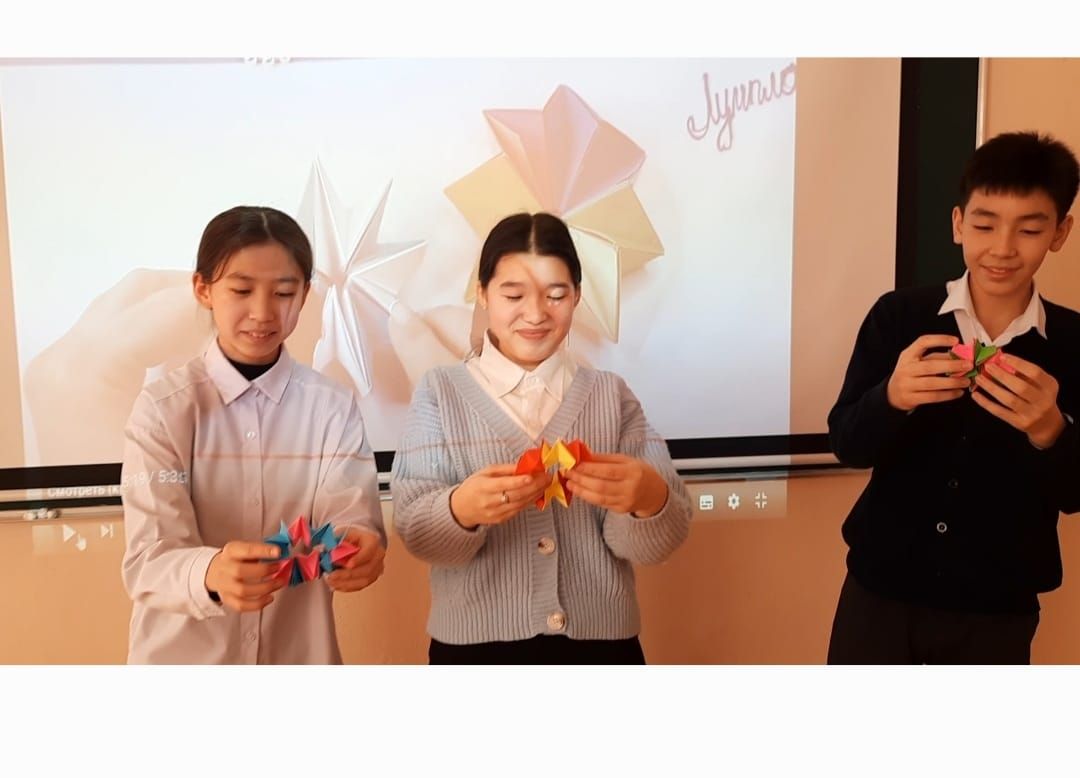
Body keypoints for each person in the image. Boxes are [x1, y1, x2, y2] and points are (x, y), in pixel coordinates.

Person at [390, 212, 692, 664]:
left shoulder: (611, 396)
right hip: (474, 652)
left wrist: (650, 499)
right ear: (483, 293)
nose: (535, 314)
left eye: (556, 296)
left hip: (601, 648)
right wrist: (460, 510)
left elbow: (656, 541)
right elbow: (415, 530)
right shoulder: (440, 393)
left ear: (577, 296)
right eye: (513, 295)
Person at [827, 131, 1080, 664]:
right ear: (958, 223)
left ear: (1060, 232)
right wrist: (891, 398)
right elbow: (847, 443)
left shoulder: (1075, 342)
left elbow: (1075, 494)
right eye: (985, 225)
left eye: (1029, 229)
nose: (1003, 248)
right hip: (880, 590)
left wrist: (1052, 432)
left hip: (999, 606)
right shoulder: (899, 316)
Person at [120, 205, 386, 664]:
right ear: (203, 289)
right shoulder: (164, 409)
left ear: (305, 294)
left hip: (297, 656)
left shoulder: (332, 407)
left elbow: (349, 513)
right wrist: (211, 572)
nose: (263, 313)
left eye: (283, 292)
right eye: (241, 290)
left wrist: (358, 545)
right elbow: (149, 557)